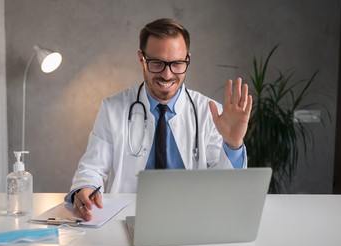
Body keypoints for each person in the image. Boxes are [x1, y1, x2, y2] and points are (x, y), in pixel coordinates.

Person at [65, 18, 252, 221]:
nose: (167, 74)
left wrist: (233, 145)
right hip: (129, 218)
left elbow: (224, 187)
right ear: (141, 59)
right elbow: (92, 167)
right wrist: (86, 188)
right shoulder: (113, 108)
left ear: (187, 60)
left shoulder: (210, 112)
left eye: (177, 64)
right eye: (157, 63)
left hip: (193, 220)